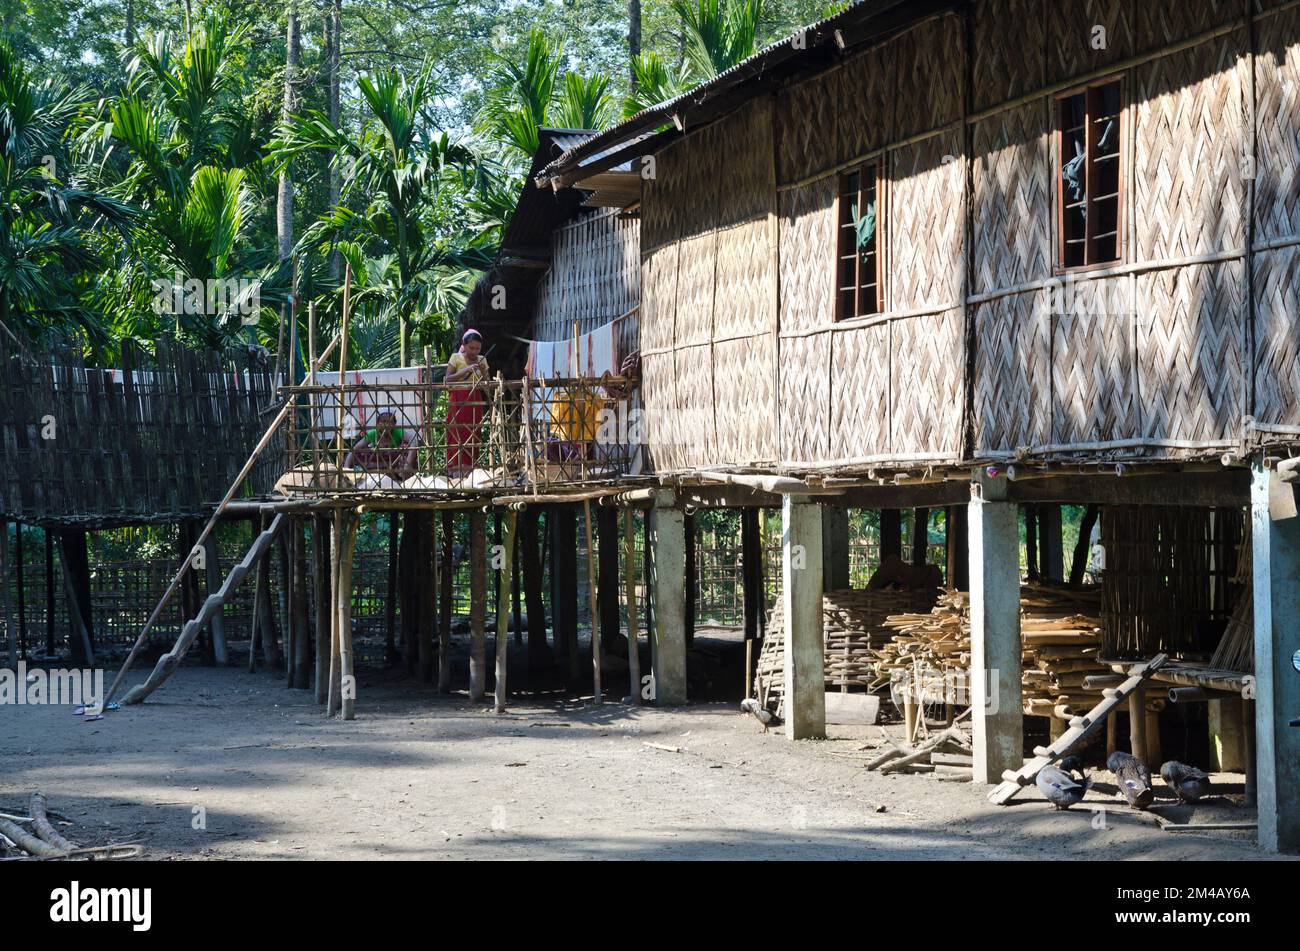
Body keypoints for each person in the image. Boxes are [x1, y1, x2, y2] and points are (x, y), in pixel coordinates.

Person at [445, 329, 488, 475]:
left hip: (475, 399)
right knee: (456, 432)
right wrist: (466, 370)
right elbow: (447, 379)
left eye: (478, 348)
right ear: (464, 344)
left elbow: (487, 382)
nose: (475, 351)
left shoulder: (482, 359)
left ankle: (470, 469)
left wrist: (483, 371)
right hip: (458, 398)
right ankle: (454, 470)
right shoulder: (456, 358)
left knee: (473, 432)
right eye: (471, 348)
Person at [343, 410, 417, 481]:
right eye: (383, 421)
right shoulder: (374, 433)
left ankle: (402, 476)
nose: (386, 425)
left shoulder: (398, 432)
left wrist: (408, 462)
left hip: (393, 461)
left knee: (405, 451)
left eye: (390, 422)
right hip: (377, 460)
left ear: (394, 424)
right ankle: (368, 475)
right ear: (377, 424)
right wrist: (346, 468)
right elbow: (355, 448)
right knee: (360, 453)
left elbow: (413, 440)